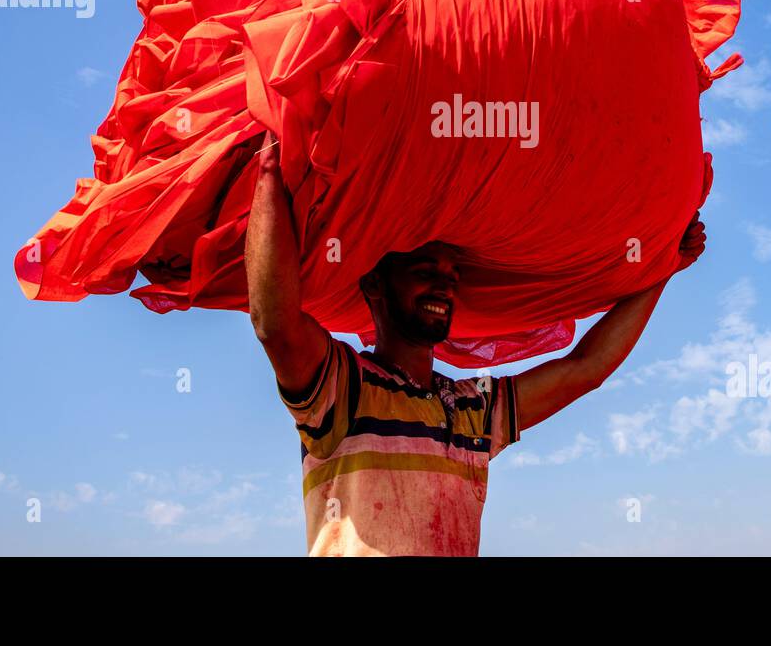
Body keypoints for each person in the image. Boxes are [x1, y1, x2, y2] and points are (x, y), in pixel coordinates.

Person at [246, 132, 707, 556]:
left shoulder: (473, 410)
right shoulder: (342, 391)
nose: (443, 287)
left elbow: (586, 367)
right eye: (425, 272)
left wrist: (666, 266)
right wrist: (270, 165)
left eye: (451, 277)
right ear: (374, 284)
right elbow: (276, 324)